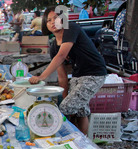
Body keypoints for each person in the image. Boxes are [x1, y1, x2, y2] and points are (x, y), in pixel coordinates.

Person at [29, 7, 107, 135]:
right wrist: (65, 96)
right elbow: (62, 76)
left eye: (56, 18)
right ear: (45, 24)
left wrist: (42, 76)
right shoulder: (54, 45)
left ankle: (67, 137)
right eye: (48, 20)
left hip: (94, 73)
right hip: (78, 75)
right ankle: (82, 140)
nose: (52, 22)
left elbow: (61, 56)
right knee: (81, 110)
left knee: (65, 108)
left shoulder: (71, 28)